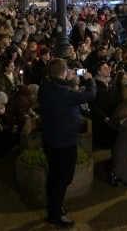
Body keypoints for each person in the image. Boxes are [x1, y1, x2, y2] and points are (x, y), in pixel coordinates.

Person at [38, 58, 96, 228]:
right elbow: (90, 95)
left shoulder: (45, 87)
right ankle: (55, 215)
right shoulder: (64, 92)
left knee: (54, 175)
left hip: (50, 139)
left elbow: (64, 97)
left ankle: (54, 207)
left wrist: (68, 80)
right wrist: (90, 78)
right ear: (63, 72)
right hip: (64, 141)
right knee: (63, 178)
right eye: (67, 71)